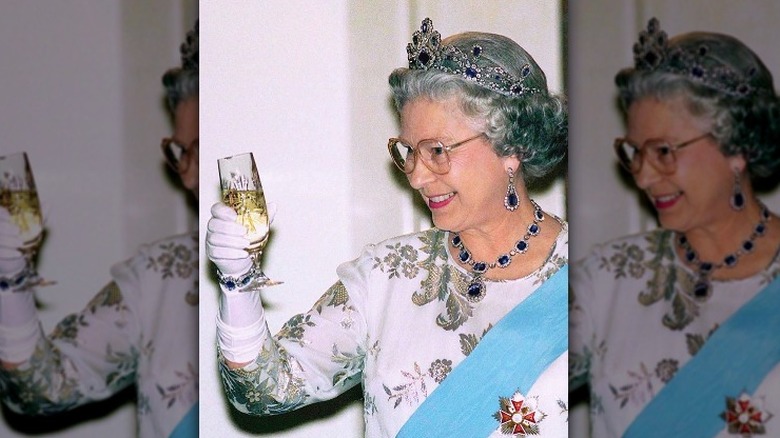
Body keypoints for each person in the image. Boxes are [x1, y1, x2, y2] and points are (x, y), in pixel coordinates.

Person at [206, 18, 568, 437]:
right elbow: (263, 391)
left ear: (513, 147)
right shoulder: (389, 274)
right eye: (409, 152)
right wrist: (238, 282)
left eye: (437, 151)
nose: (416, 176)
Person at [569, 18, 780, 437]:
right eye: (635, 152)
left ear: (736, 146)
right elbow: (505, 391)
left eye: (664, 151)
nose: (643, 177)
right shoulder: (608, 279)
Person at [0, 21, 199, 437]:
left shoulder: (331, 261)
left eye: (203, 148)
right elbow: (39, 391)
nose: (189, 178)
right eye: (182, 152)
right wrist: (10, 281)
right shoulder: (163, 273)